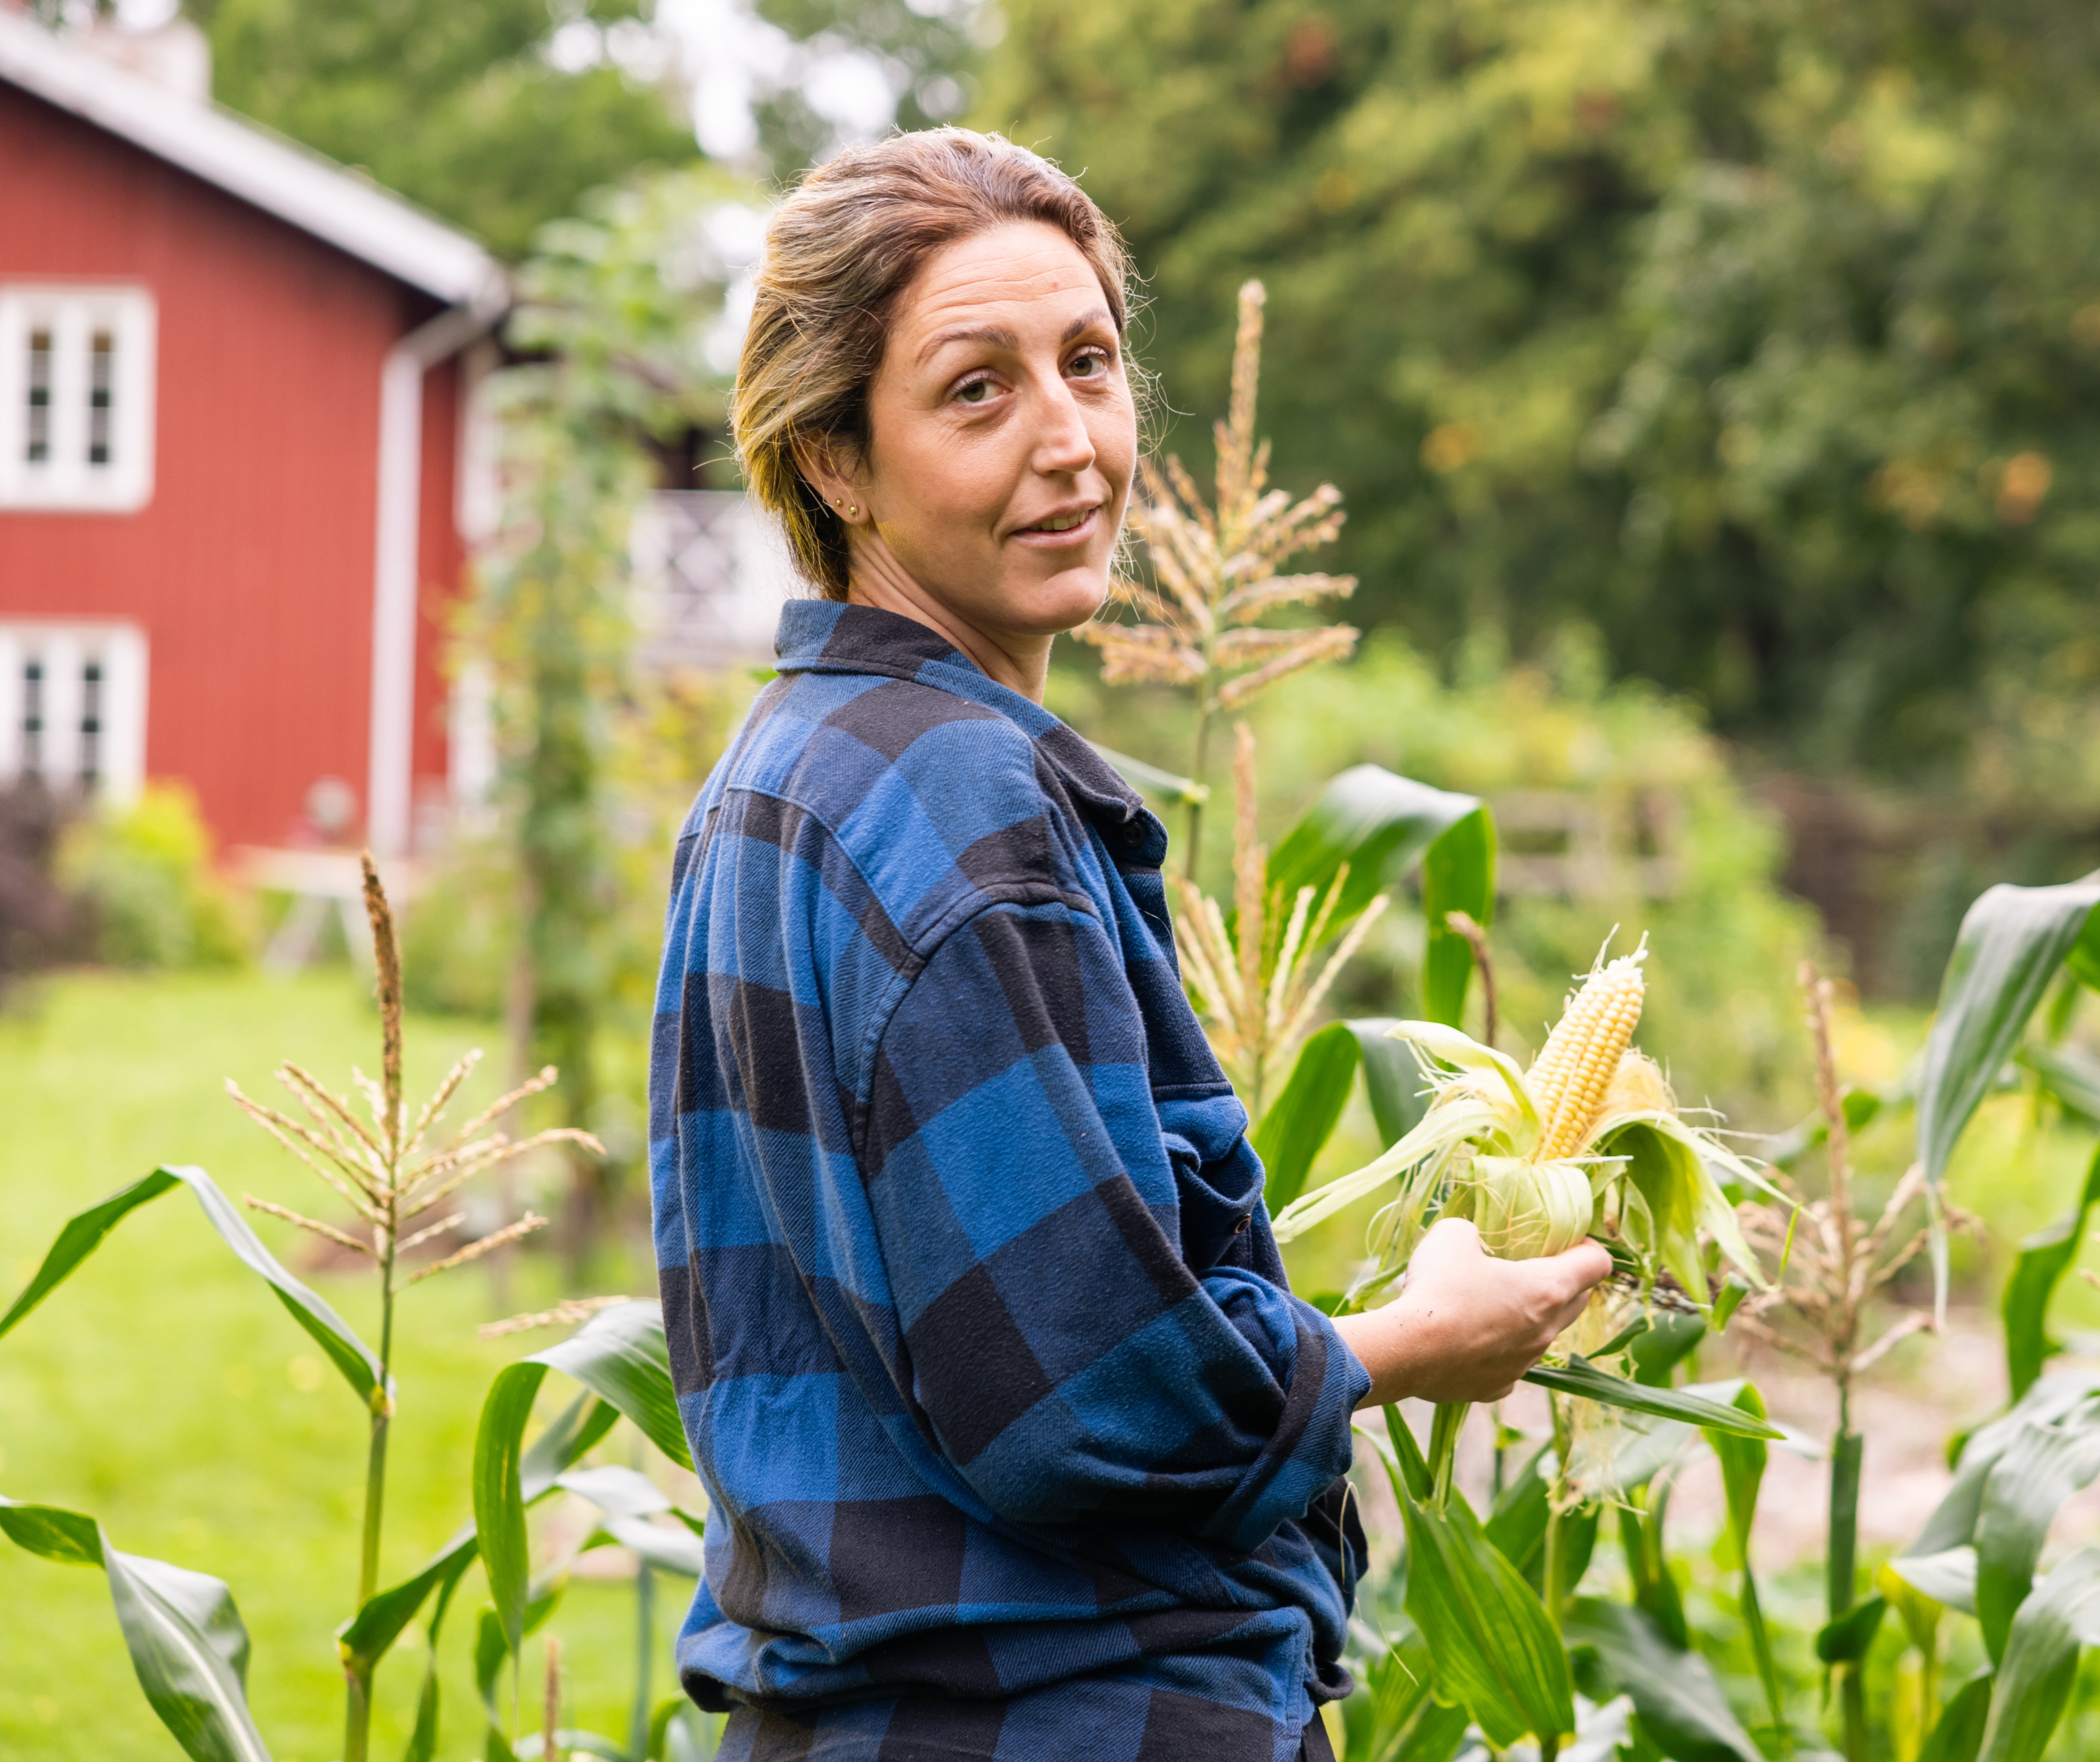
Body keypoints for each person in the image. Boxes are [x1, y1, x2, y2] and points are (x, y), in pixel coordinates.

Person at [651, 128, 1613, 1762]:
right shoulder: (963, 801)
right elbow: (1078, 1393)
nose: (1071, 443)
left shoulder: (773, 779)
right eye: (976, 390)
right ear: (835, 459)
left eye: (1087, 364)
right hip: (1064, 1711)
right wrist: (1413, 1339)